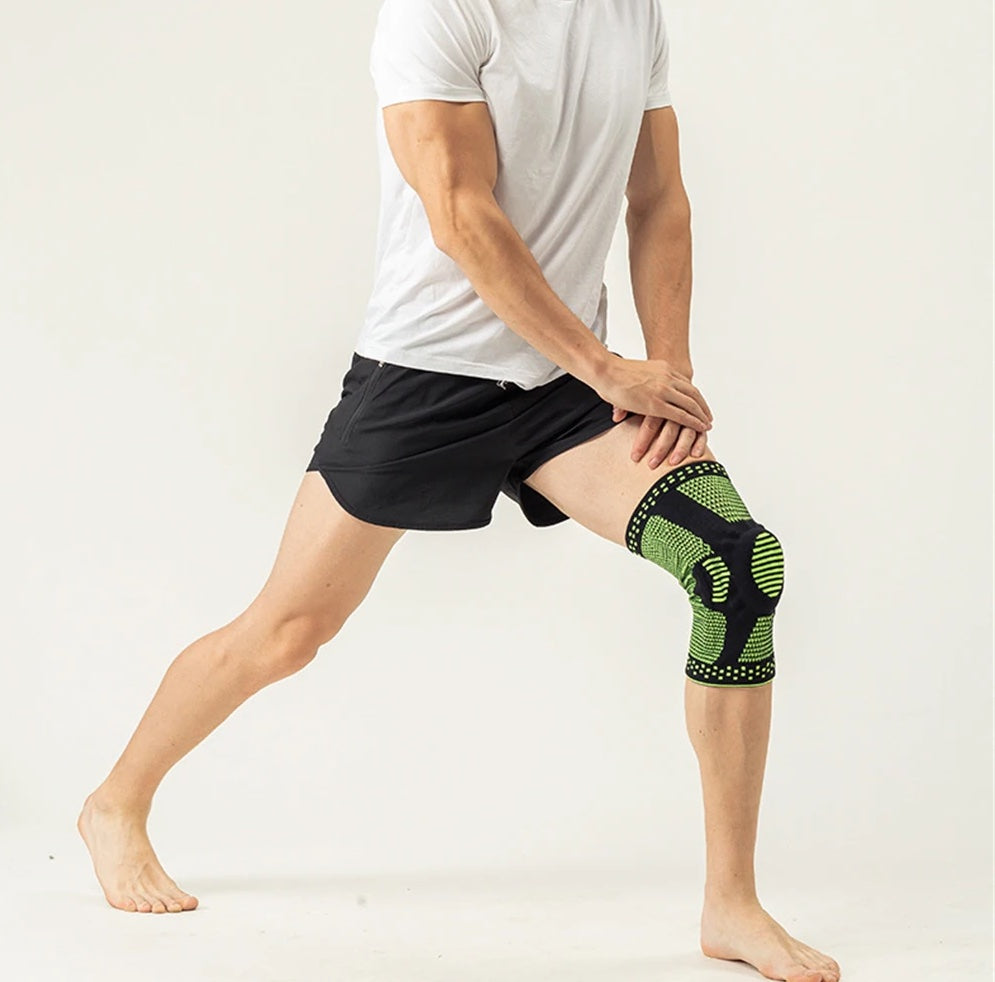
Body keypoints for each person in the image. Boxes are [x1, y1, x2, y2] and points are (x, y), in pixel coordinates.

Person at [78, 1, 840, 979]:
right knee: (288, 631)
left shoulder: (629, 10)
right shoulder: (439, 11)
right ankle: (115, 802)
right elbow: (458, 214)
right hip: (428, 379)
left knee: (734, 564)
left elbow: (658, 200)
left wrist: (668, 373)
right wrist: (607, 366)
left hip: (567, 391)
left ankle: (730, 903)